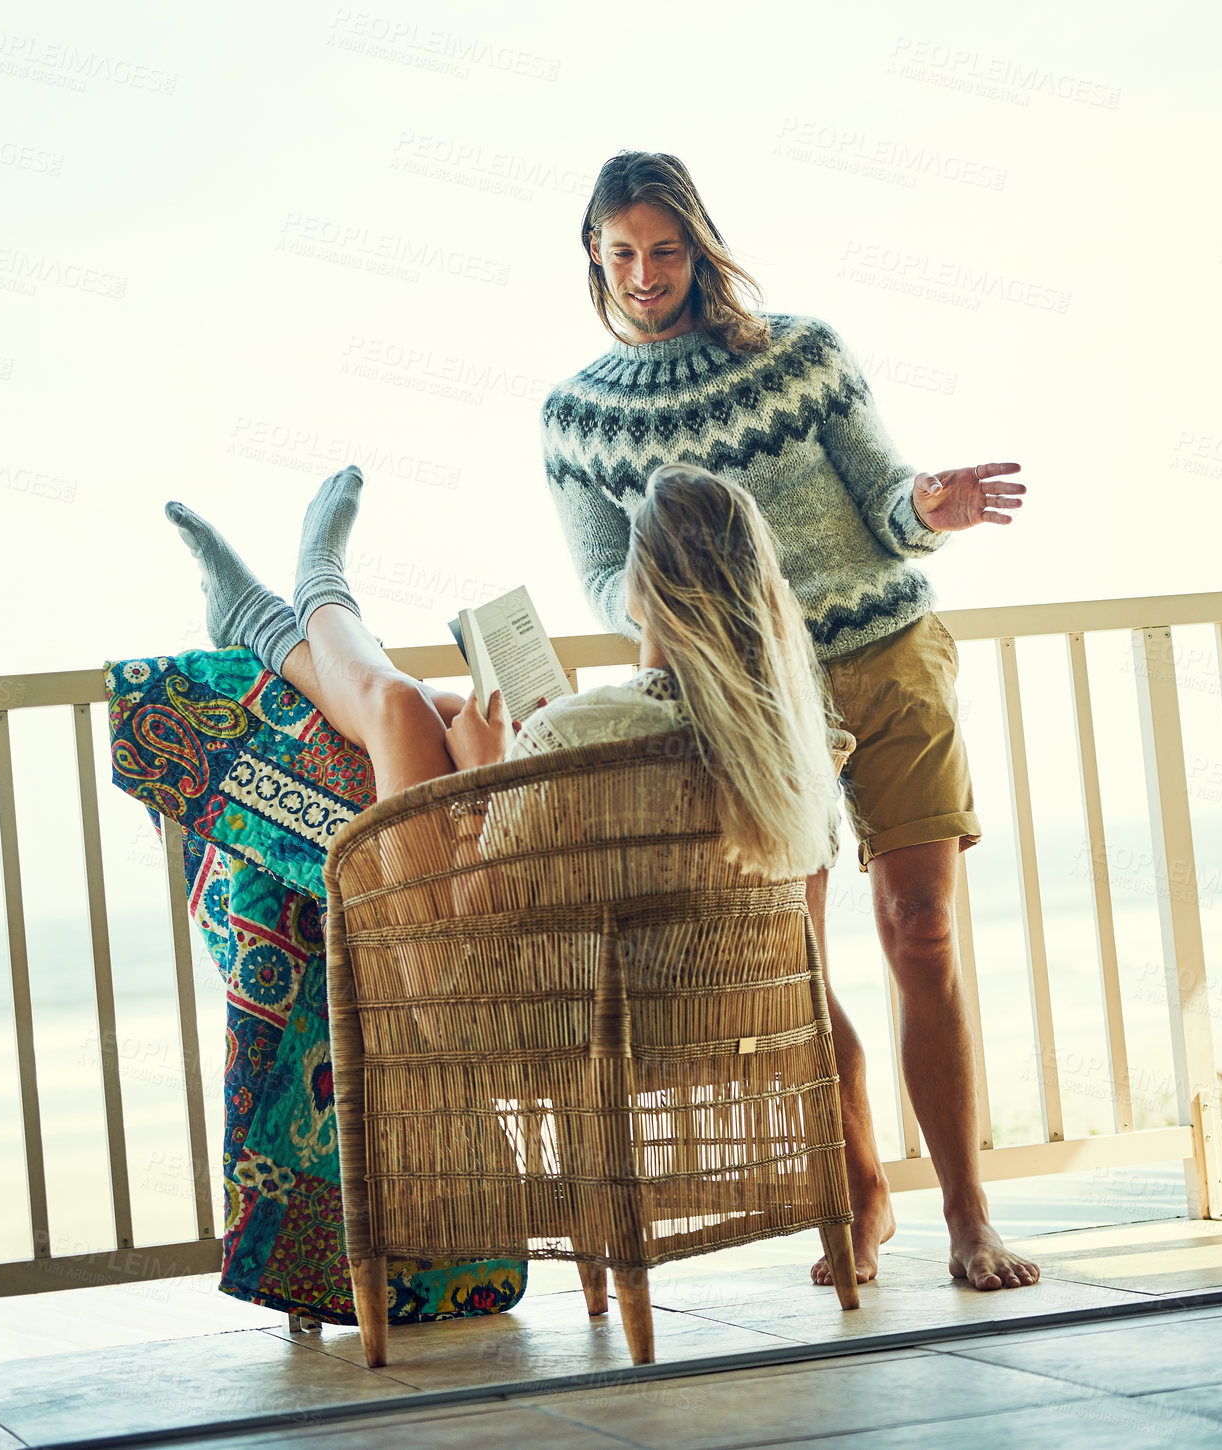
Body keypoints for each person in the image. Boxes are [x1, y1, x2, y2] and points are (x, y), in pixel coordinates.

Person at [540, 149, 1039, 1292]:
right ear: (594, 258)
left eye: (664, 249)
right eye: (622, 253)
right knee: (790, 966)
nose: (644, 273)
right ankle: (857, 1200)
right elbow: (606, 585)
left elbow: (885, 496)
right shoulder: (574, 418)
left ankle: (967, 1214)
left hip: (884, 657)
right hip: (752, 706)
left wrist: (928, 504)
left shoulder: (802, 353)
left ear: (699, 245)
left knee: (920, 927)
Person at [163, 460, 845, 885]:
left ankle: (303, 601)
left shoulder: (579, 734)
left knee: (399, 706)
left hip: (496, 1016)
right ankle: (278, 618)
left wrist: (481, 779)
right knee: (437, 709)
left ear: (638, 595)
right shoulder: (794, 751)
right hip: (714, 1021)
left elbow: (476, 905)